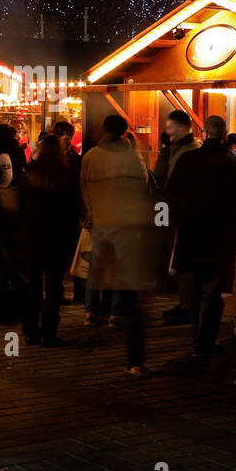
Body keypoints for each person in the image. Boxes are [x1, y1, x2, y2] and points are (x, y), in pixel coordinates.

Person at [81, 114, 155, 376]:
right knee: (124, 273)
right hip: (127, 225)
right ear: (125, 132)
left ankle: (91, 311)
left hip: (101, 220)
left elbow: (84, 187)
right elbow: (144, 189)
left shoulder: (91, 156)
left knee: (97, 267)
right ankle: (116, 314)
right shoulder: (133, 158)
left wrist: (91, 213)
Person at [167, 115, 236, 358]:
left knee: (193, 290)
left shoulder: (187, 159)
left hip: (190, 234)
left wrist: (173, 223)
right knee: (212, 292)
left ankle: (197, 338)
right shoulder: (232, 164)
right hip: (218, 238)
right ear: (224, 136)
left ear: (203, 133)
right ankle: (204, 342)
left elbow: (169, 194)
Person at [18, 135, 79, 346]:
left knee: (32, 285)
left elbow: (20, 208)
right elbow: (73, 212)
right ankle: (49, 332)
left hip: (32, 236)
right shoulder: (68, 176)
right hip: (57, 237)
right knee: (54, 286)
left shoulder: (28, 175)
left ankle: (30, 330)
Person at [154, 111, 197, 325]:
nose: (167, 131)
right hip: (172, 210)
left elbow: (167, 179)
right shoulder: (177, 150)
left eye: (170, 127)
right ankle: (184, 301)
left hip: (180, 213)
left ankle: (188, 305)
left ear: (181, 128)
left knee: (181, 260)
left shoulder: (188, 152)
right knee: (175, 258)